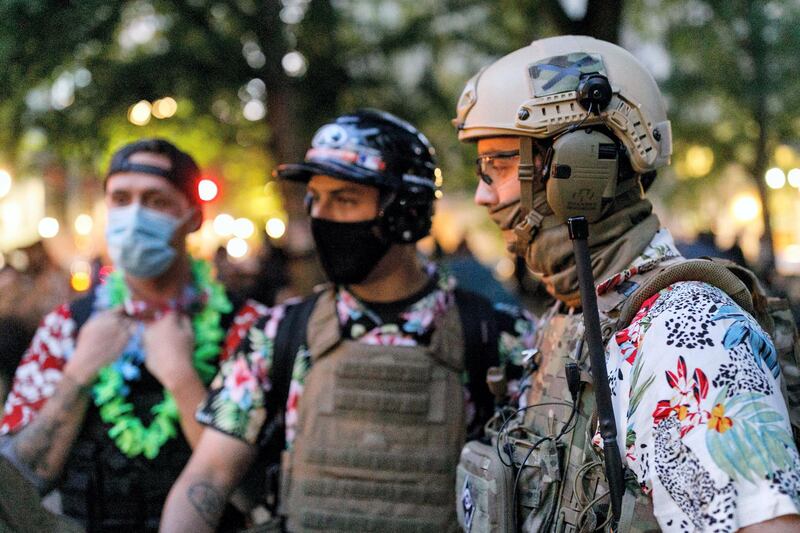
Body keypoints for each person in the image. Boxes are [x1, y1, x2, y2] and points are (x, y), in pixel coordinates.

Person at [453, 35, 800, 532]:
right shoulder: (579, 310)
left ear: (581, 169)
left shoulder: (684, 333)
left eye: (499, 165)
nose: (484, 196)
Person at [160, 109, 536, 531]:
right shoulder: (277, 333)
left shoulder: (497, 335)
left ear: (406, 212)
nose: (323, 218)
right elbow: (207, 476)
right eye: (316, 199)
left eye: (345, 199)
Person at [0, 139, 250, 531]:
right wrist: (79, 374)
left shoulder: (246, 327)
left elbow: (249, 490)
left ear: (193, 216)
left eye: (155, 201)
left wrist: (182, 379)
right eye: (121, 198)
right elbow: (21, 481)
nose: (134, 215)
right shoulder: (65, 327)